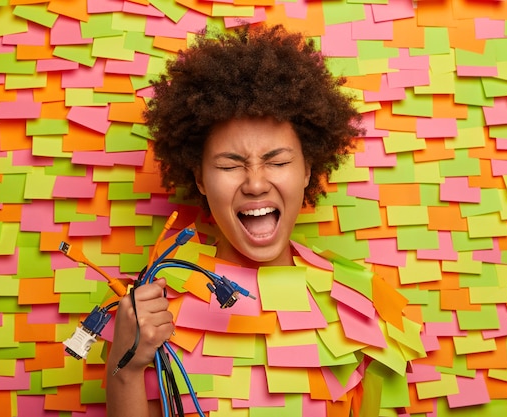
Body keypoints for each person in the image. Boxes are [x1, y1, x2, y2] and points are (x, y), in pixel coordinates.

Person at [106, 24, 368, 417]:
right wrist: (124, 369)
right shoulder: (153, 309)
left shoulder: (357, 305)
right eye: (230, 165)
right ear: (199, 178)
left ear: (308, 169)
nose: (256, 183)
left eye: (277, 162)